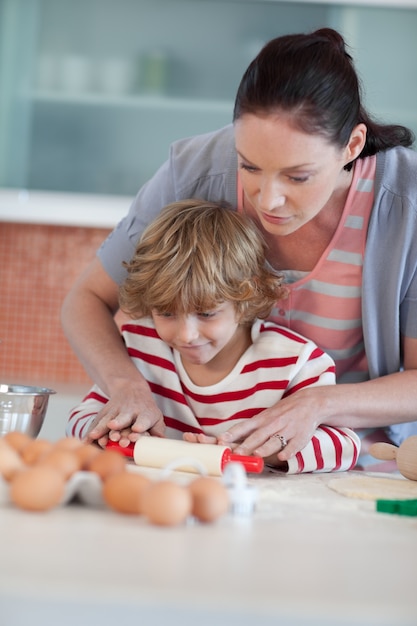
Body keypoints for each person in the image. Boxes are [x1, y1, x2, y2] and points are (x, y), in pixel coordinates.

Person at [61, 27, 417, 467]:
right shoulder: (193, 172)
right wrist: (127, 386)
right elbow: (86, 300)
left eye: (298, 176)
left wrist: (319, 404)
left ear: (352, 145)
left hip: (347, 460)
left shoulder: (407, 207)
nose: (267, 200)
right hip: (208, 462)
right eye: (249, 165)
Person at [67, 200, 360, 474]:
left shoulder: (296, 363)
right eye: (166, 313)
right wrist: (113, 432)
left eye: (206, 314)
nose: (187, 335)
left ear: (245, 297)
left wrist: (257, 453)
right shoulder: (140, 347)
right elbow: (82, 417)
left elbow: (345, 446)